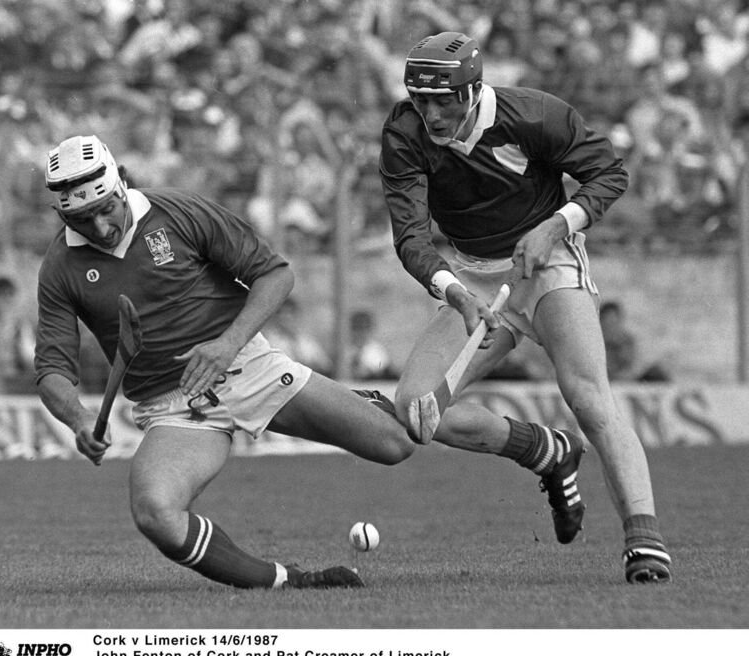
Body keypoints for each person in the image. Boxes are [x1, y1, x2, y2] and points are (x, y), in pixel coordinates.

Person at [35, 135, 416, 590]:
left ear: (121, 185)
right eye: (81, 218)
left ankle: (362, 401)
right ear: (61, 214)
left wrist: (226, 345)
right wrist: (78, 419)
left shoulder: (179, 211)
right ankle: (287, 581)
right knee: (155, 513)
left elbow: (275, 274)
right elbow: (52, 370)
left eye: (105, 209)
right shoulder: (60, 266)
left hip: (247, 366)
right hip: (173, 407)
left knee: (395, 446)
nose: (99, 227)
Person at [379, 32, 671, 583]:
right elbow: (411, 238)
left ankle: (644, 542)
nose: (433, 114)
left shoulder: (534, 115)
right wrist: (457, 293)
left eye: (445, 100)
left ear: (474, 88)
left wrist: (556, 226)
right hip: (473, 276)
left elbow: (609, 173)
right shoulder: (404, 134)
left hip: (548, 264)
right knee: (418, 411)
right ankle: (545, 451)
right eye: (422, 100)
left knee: (586, 395)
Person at [599, 300, 671, 382]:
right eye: (608, 322)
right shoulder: (597, 343)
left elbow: (633, 365)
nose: (611, 326)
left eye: (613, 322)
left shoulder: (626, 341)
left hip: (628, 379)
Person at [348, 309, 397, 380]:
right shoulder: (344, 349)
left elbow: (382, 371)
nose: (361, 333)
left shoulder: (377, 350)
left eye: (365, 328)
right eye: (357, 328)